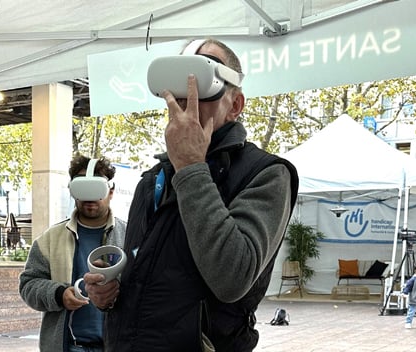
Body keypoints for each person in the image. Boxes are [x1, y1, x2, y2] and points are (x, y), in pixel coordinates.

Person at [85, 38, 299, 352]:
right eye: (179, 81)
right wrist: (110, 294)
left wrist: (190, 166)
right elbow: (139, 263)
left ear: (235, 105)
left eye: (202, 80)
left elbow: (232, 278)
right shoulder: (152, 179)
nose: (188, 95)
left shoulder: (266, 174)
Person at [19, 154, 126, 352]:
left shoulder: (131, 236)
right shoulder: (50, 239)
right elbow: (28, 285)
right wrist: (59, 295)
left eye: (96, 186)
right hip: (68, 347)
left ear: (111, 191)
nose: (90, 196)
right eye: (82, 185)